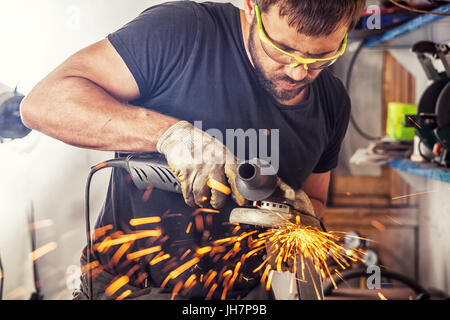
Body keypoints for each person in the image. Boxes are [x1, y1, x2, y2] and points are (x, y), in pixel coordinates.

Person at [20, 0, 365, 299]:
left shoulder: (332, 102)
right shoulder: (184, 33)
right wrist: (169, 135)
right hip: (130, 290)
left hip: (246, 296)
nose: (298, 71)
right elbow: (43, 104)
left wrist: (297, 218)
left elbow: (315, 201)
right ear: (252, 7)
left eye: (321, 57)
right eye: (282, 50)